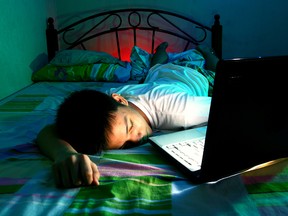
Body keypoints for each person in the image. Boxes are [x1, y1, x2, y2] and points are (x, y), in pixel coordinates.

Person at [36, 45, 219, 188]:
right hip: (157, 74)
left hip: (192, 74)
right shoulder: (109, 97)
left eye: (130, 127)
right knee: (156, 65)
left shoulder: (181, 111)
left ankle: (206, 51)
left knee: (215, 68)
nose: (137, 139)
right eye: (125, 144)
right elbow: (49, 131)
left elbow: (230, 108)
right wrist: (64, 153)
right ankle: (160, 50)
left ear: (120, 99)